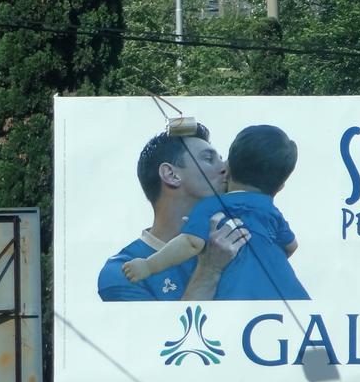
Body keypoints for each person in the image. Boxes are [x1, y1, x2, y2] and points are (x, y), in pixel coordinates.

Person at [123, 124, 309, 301]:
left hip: (239, 299)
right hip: (291, 297)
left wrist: (148, 266)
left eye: (221, 159)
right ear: (281, 186)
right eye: (209, 159)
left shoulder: (214, 205)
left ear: (229, 167)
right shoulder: (271, 211)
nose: (220, 166)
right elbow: (291, 246)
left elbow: (191, 243)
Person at [97, 123, 249, 301]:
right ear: (171, 174)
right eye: (209, 159)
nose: (226, 168)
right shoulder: (122, 271)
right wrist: (209, 269)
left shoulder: (237, 246)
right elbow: (163, 330)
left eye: (222, 159)